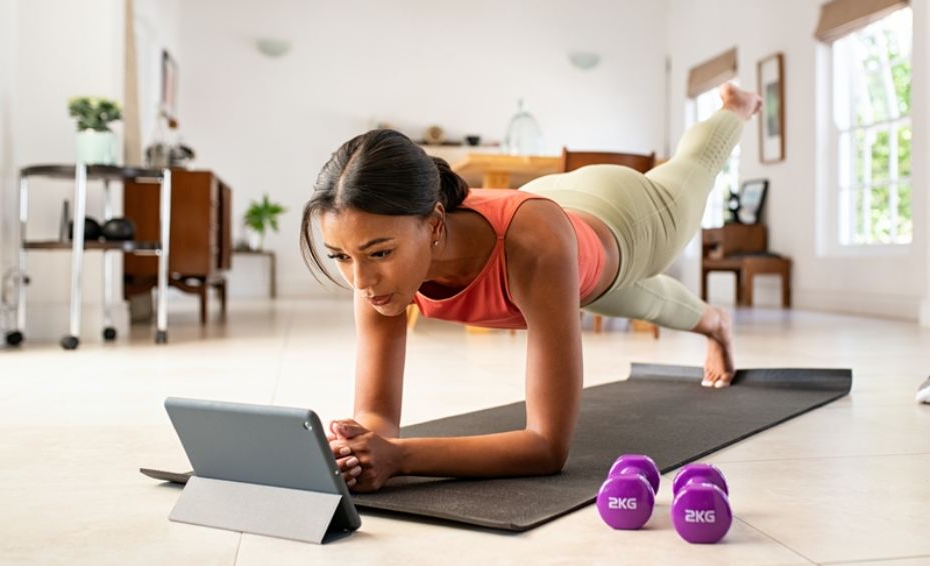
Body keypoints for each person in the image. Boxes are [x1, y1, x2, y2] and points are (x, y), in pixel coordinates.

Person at [300, 83, 763, 491]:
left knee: (691, 171)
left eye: (379, 253)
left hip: (623, 217)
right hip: (569, 248)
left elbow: (546, 446)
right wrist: (359, 448)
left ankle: (736, 106)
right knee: (642, 300)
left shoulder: (535, 249)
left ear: (435, 225)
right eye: (340, 256)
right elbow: (379, 418)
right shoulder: (374, 264)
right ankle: (715, 324)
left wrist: (401, 458)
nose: (360, 281)